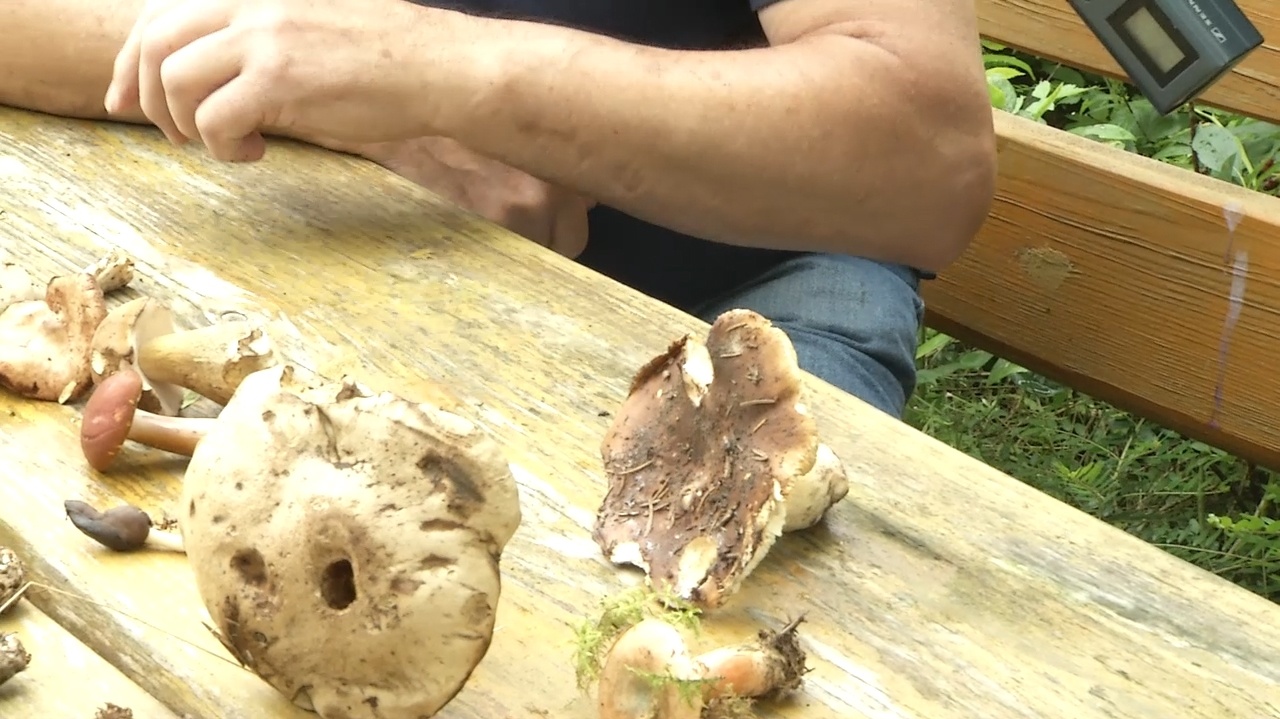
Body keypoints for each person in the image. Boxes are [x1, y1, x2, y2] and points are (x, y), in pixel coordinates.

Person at [0, 0, 996, 418]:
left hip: (733, 290)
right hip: (327, 217)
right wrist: (361, 110)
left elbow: (923, 161)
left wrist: (450, 77)